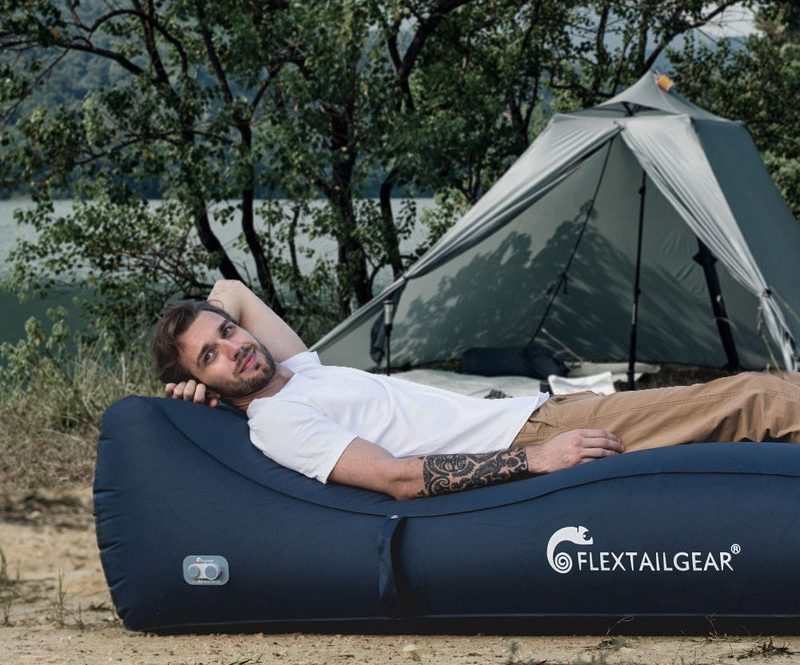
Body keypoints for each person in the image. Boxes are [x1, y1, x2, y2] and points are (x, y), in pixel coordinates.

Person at [151, 280, 800, 500]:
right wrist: (535, 457)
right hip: (532, 433)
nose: (235, 346)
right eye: (212, 356)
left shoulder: (300, 373)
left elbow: (231, 290)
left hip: (543, 408)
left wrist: (204, 355)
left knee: (758, 400)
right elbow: (395, 478)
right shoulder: (275, 418)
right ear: (200, 379)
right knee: (754, 399)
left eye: (228, 333)